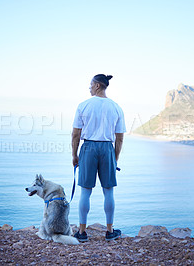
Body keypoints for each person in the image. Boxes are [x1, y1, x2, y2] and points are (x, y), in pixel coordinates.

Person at [71, 74, 126, 242]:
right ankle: (109, 231)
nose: (89, 88)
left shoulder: (83, 105)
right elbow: (120, 137)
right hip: (107, 148)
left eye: (90, 85)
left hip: (88, 147)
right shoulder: (116, 107)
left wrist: (74, 154)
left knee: (85, 192)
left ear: (96, 86)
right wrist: (115, 157)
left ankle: (82, 232)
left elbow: (75, 134)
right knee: (108, 191)